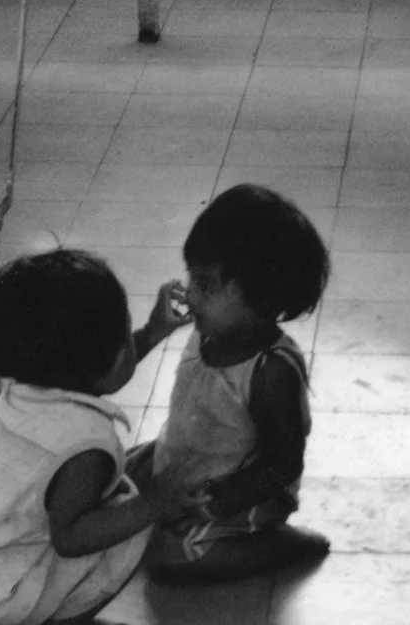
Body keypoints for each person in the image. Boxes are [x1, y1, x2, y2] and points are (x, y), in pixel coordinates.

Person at [0, 250, 202, 625]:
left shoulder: (29, 389)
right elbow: (72, 538)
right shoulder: (84, 447)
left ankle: (31, 605)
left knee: (113, 498)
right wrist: (153, 504)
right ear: (112, 357)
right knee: (131, 515)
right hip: (7, 592)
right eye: (125, 338)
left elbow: (103, 373)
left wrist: (152, 332)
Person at [135, 184, 334, 585]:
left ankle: (280, 545)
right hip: (183, 461)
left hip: (240, 494)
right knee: (104, 481)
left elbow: (283, 463)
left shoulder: (271, 371)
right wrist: (153, 331)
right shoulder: (210, 330)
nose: (191, 294)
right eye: (192, 276)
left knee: (171, 563)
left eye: (206, 285)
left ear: (263, 300)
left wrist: (214, 502)